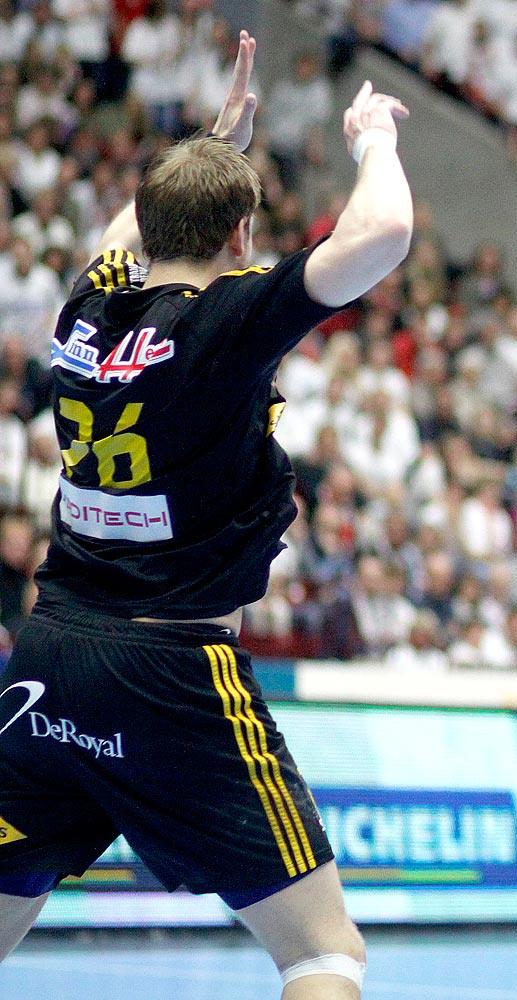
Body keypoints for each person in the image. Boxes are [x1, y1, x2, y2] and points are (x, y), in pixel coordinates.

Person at [0, 30, 413, 1000]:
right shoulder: (224, 321)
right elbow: (382, 236)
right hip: (173, 672)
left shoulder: (83, 319)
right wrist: (373, 139)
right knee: (323, 950)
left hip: (51, 656)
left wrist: (216, 140)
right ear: (239, 239)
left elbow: (120, 241)